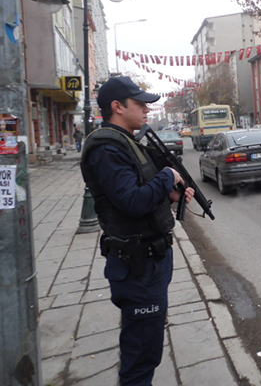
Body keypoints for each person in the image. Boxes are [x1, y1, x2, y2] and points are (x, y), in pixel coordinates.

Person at [80, 76, 195, 385]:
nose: (146, 110)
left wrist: (168, 196)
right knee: (142, 352)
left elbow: (137, 194)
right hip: (137, 265)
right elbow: (132, 201)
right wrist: (167, 176)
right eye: (140, 104)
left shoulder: (125, 142)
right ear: (118, 106)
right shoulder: (107, 148)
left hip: (149, 260)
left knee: (146, 341)